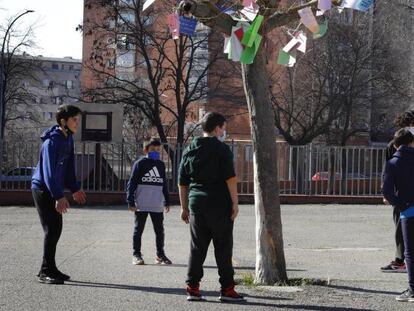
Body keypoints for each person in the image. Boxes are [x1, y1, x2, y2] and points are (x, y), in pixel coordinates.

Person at [178, 112, 245, 302]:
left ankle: (192, 288)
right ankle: (227, 289)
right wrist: (235, 203)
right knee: (223, 248)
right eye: (223, 128)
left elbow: (182, 182)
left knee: (197, 248)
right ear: (217, 128)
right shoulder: (222, 150)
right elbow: (230, 179)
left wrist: (184, 208)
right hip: (219, 205)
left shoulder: (189, 149)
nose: (224, 132)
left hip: (196, 205)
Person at [32, 104, 87, 285]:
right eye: (74, 120)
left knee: (56, 229)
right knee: (52, 229)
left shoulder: (68, 139)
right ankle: (45, 271)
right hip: (42, 188)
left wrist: (74, 188)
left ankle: (51, 268)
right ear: (63, 121)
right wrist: (58, 196)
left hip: (53, 189)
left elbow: (69, 169)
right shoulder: (52, 142)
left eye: (78, 120)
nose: (77, 123)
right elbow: (48, 173)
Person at [126, 138, 171, 266]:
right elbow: (132, 183)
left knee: (159, 230)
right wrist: (130, 201)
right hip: (141, 204)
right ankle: (136, 255)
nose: (156, 152)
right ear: (146, 150)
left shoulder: (161, 165)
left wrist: (167, 201)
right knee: (138, 230)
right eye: (153, 150)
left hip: (157, 204)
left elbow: (164, 184)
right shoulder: (139, 164)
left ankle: (160, 255)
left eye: (158, 150)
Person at [382, 128, 414, 302]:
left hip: (408, 211)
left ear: (395, 145)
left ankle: (413, 290)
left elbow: (386, 191)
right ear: (411, 143)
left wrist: (400, 204)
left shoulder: (393, 162)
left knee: (410, 252)